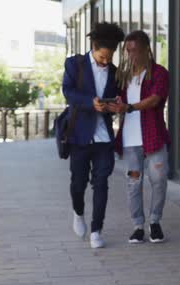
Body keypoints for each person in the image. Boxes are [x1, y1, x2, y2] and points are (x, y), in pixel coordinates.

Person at [62, 22, 125, 249]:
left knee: (101, 182)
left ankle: (97, 230)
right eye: (102, 56)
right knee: (78, 183)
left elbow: (117, 99)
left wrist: (115, 106)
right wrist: (91, 102)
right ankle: (78, 213)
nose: (106, 61)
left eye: (109, 58)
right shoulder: (74, 64)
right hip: (79, 136)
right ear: (93, 47)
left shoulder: (115, 73)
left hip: (104, 139)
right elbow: (68, 92)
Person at [108, 30, 170, 244]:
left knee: (159, 181)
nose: (130, 55)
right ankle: (137, 226)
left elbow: (154, 100)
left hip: (154, 139)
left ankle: (154, 222)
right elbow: (121, 103)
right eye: (128, 51)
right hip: (131, 141)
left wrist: (129, 107)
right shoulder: (124, 76)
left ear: (146, 49)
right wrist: (116, 105)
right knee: (134, 183)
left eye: (134, 50)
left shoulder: (159, 73)